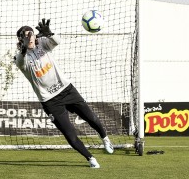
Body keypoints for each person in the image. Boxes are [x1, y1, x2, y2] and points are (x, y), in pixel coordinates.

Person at [14, 18, 114, 168]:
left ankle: (105, 138)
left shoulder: (42, 43)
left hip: (66, 89)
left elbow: (57, 41)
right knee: (70, 135)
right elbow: (20, 61)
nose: (29, 37)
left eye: (31, 34)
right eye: (25, 36)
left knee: (91, 117)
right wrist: (23, 48)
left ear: (35, 35)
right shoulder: (20, 57)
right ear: (21, 39)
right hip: (50, 101)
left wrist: (50, 33)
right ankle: (90, 159)